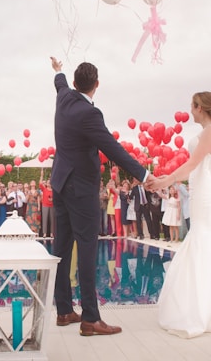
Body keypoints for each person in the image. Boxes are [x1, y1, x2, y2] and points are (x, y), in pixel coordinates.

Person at [49, 56, 155, 336]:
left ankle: (63, 310)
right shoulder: (89, 114)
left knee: (60, 250)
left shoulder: (64, 98)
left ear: (74, 83)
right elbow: (113, 148)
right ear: (97, 84)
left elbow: (58, 83)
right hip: (81, 190)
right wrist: (143, 175)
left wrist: (58, 69)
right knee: (86, 250)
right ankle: (90, 319)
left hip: (59, 184)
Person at [150, 91, 211, 338]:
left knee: (201, 239)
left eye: (192, 106)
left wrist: (165, 179)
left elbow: (191, 164)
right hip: (201, 189)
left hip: (205, 193)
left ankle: (199, 308)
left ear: (200, 107)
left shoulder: (208, 132)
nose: (191, 110)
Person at [39, 170, 54, 238]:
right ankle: (44, 233)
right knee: (45, 219)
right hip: (45, 205)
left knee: (52, 219)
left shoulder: (54, 190)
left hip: (52, 206)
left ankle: (52, 233)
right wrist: (41, 175)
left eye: (50, 182)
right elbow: (40, 183)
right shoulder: (44, 189)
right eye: (48, 182)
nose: (49, 183)